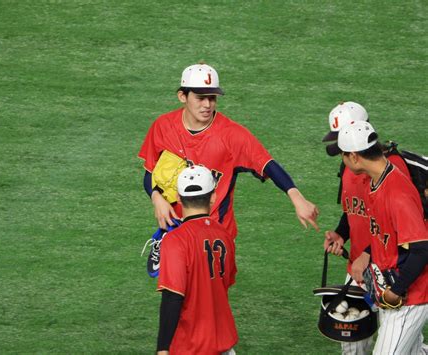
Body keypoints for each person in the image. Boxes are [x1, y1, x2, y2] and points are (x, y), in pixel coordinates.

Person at [138, 63, 319, 273]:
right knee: (175, 298)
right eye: (200, 97)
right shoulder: (162, 127)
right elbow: (149, 175)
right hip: (176, 231)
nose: (207, 104)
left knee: (206, 300)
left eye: (212, 98)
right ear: (182, 96)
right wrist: (156, 198)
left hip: (215, 236)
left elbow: (267, 164)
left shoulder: (232, 136)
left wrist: (297, 198)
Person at [322, 102, 411, 354]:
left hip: (391, 269)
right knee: (351, 343)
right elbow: (353, 209)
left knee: (399, 344)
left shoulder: (391, 168)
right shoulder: (347, 166)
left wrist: (367, 254)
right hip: (360, 269)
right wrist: (341, 233)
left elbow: (396, 224)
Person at [334, 121, 428, 355]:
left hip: (411, 296)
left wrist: (396, 290)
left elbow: (422, 249)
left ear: (354, 156)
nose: (342, 162)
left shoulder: (396, 192)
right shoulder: (377, 182)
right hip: (390, 287)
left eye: (343, 156)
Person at [156, 165, 237, 354]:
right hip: (224, 343)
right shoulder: (225, 235)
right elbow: (225, 281)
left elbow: (172, 297)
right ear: (213, 198)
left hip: (191, 346)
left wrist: (162, 348)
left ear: (178, 197)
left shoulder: (176, 240)